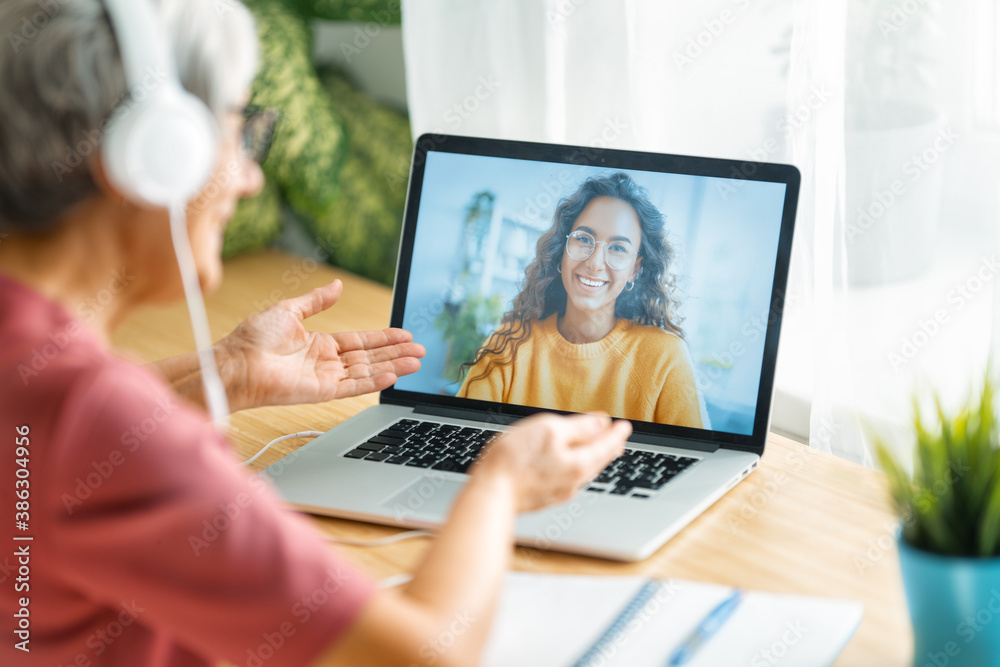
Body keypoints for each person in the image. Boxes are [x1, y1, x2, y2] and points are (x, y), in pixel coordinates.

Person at [0, 2, 631, 666]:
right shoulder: (90, 423)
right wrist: (500, 484)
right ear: (154, 153)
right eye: (238, 133)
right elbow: (425, 654)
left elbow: (46, 441)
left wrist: (229, 371)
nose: (251, 176)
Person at [457, 172, 705, 427]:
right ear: (561, 251)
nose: (594, 263)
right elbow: (465, 439)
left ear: (634, 269)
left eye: (618, 248)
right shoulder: (509, 341)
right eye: (584, 239)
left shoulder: (666, 356)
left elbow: (699, 456)